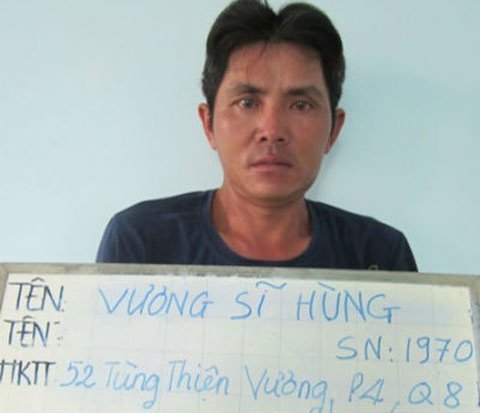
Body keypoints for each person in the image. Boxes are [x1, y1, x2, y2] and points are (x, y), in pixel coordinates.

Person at [96, 0, 417, 271]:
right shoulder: (141, 242)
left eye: (301, 105)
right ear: (209, 124)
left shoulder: (380, 255)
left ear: (334, 129)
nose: (272, 131)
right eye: (247, 103)